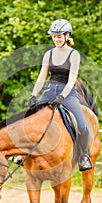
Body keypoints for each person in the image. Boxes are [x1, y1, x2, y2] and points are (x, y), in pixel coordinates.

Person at [28, 19, 93, 171]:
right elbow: (42, 77)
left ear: (67, 36)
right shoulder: (48, 54)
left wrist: (62, 97)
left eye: (59, 36)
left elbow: (72, 80)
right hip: (50, 91)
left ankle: (84, 156)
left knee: (83, 127)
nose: (56, 39)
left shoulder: (74, 55)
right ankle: (22, 152)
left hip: (68, 93)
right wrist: (33, 95)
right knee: (29, 118)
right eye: (54, 36)